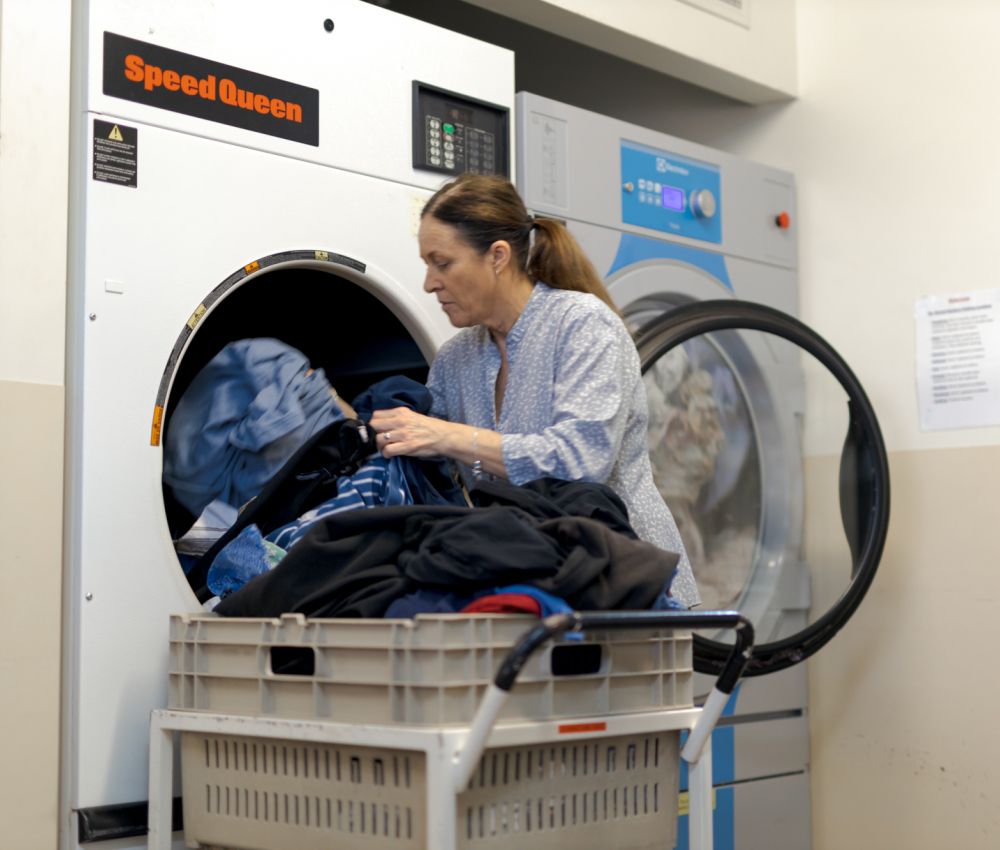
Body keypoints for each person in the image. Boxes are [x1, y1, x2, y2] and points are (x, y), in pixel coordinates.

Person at [369, 173, 699, 608]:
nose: (430, 282)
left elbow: (582, 461)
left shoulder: (582, 324)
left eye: (442, 263)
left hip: (629, 581)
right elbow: (425, 458)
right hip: (533, 581)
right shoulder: (457, 357)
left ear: (497, 257)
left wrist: (448, 436)